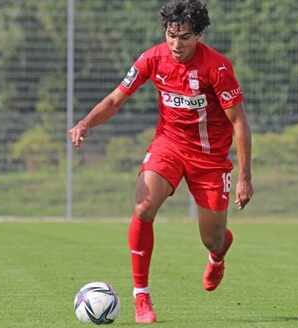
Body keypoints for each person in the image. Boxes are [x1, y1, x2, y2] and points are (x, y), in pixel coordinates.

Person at [69, 0, 253, 324]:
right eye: (171, 35)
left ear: (198, 35)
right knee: (143, 206)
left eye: (184, 37)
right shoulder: (152, 58)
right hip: (168, 145)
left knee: (213, 238)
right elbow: (115, 99)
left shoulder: (217, 68)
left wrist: (245, 177)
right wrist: (85, 123)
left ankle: (217, 253)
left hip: (210, 159)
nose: (176, 44)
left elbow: (238, 122)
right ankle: (142, 296)